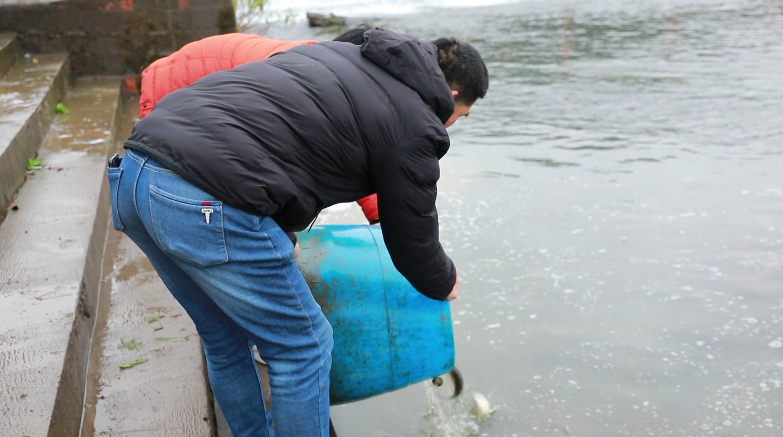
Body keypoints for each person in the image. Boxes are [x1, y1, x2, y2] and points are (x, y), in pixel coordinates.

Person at [107, 27, 488, 437]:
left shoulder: (342, 57)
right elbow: (412, 237)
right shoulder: (415, 122)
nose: (450, 127)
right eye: (458, 118)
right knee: (304, 349)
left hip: (134, 176)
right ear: (451, 96)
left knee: (223, 337)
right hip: (201, 199)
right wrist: (442, 280)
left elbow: (281, 145)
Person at [138, 26, 381, 225]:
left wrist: (378, 215)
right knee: (203, 212)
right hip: (172, 87)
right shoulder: (308, 80)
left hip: (191, 74)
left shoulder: (321, 64)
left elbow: (357, 151)